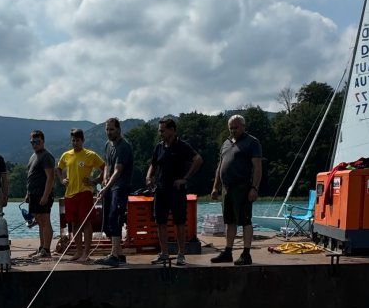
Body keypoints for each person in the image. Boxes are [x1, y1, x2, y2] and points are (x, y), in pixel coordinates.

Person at [144, 116, 201, 266]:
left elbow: (198, 159)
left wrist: (185, 178)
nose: (160, 133)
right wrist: (149, 176)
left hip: (177, 190)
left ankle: (181, 254)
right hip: (161, 190)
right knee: (160, 222)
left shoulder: (182, 146)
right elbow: (153, 164)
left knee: (179, 222)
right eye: (159, 131)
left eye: (162, 131)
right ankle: (164, 253)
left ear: (172, 130)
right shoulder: (159, 147)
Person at [209, 114, 263, 266]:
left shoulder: (252, 142)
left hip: (243, 187)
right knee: (229, 221)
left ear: (243, 127)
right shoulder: (226, 143)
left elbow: (258, 167)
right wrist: (215, 187)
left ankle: (246, 254)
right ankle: (228, 251)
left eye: (236, 128)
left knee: (245, 220)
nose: (233, 131)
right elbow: (220, 166)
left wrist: (254, 188)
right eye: (231, 128)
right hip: (227, 188)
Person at [55, 128, 105, 263]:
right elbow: (58, 169)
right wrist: (61, 179)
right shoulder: (66, 155)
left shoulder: (90, 155)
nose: (75, 143)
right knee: (74, 223)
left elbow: (105, 167)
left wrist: (95, 180)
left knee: (86, 222)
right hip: (70, 194)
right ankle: (78, 251)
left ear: (83, 140)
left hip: (85, 193)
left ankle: (86, 253)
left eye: (77, 140)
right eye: (73, 140)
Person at [93, 117, 134, 267]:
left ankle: (114, 255)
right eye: (107, 129)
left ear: (119, 129)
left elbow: (117, 170)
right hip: (110, 187)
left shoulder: (124, 147)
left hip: (120, 187)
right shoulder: (107, 145)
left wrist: (106, 186)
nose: (109, 132)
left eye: (112, 129)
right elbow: (107, 167)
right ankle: (119, 254)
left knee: (115, 217)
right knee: (108, 222)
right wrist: (103, 181)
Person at [24, 129, 56, 258]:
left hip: (43, 194)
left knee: (45, 220)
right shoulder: (33, 156)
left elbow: (50, 177)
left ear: (43, 141)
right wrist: (28, 193)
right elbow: (31, 176)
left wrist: (45, 195)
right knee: (38, 220)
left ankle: (46, 250)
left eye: (37, 141)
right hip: (33, 194)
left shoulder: (46, 156)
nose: (34, 144)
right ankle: (42, 247)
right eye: (32, 142)